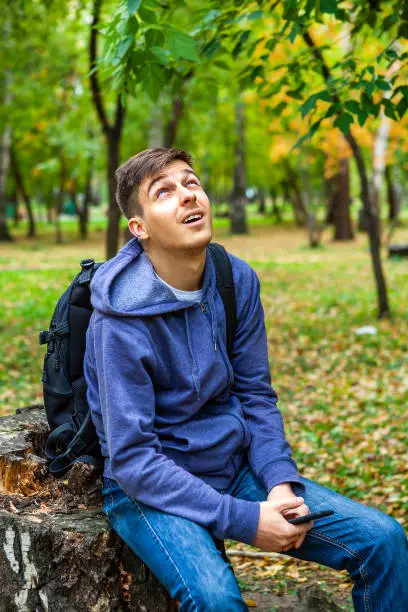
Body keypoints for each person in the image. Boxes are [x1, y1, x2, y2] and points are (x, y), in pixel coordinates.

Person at [84, 147, 408, 612]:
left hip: (234, 468)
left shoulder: (233, 279)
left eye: (192, 183)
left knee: (384, 541)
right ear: (139, 228)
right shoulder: (118, 321)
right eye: (165, 192)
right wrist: (246, 520)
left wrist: (278, 481)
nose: (188, 197)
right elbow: (134, 459)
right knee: (216, 601)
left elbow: (255, 394)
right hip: (148, 489)